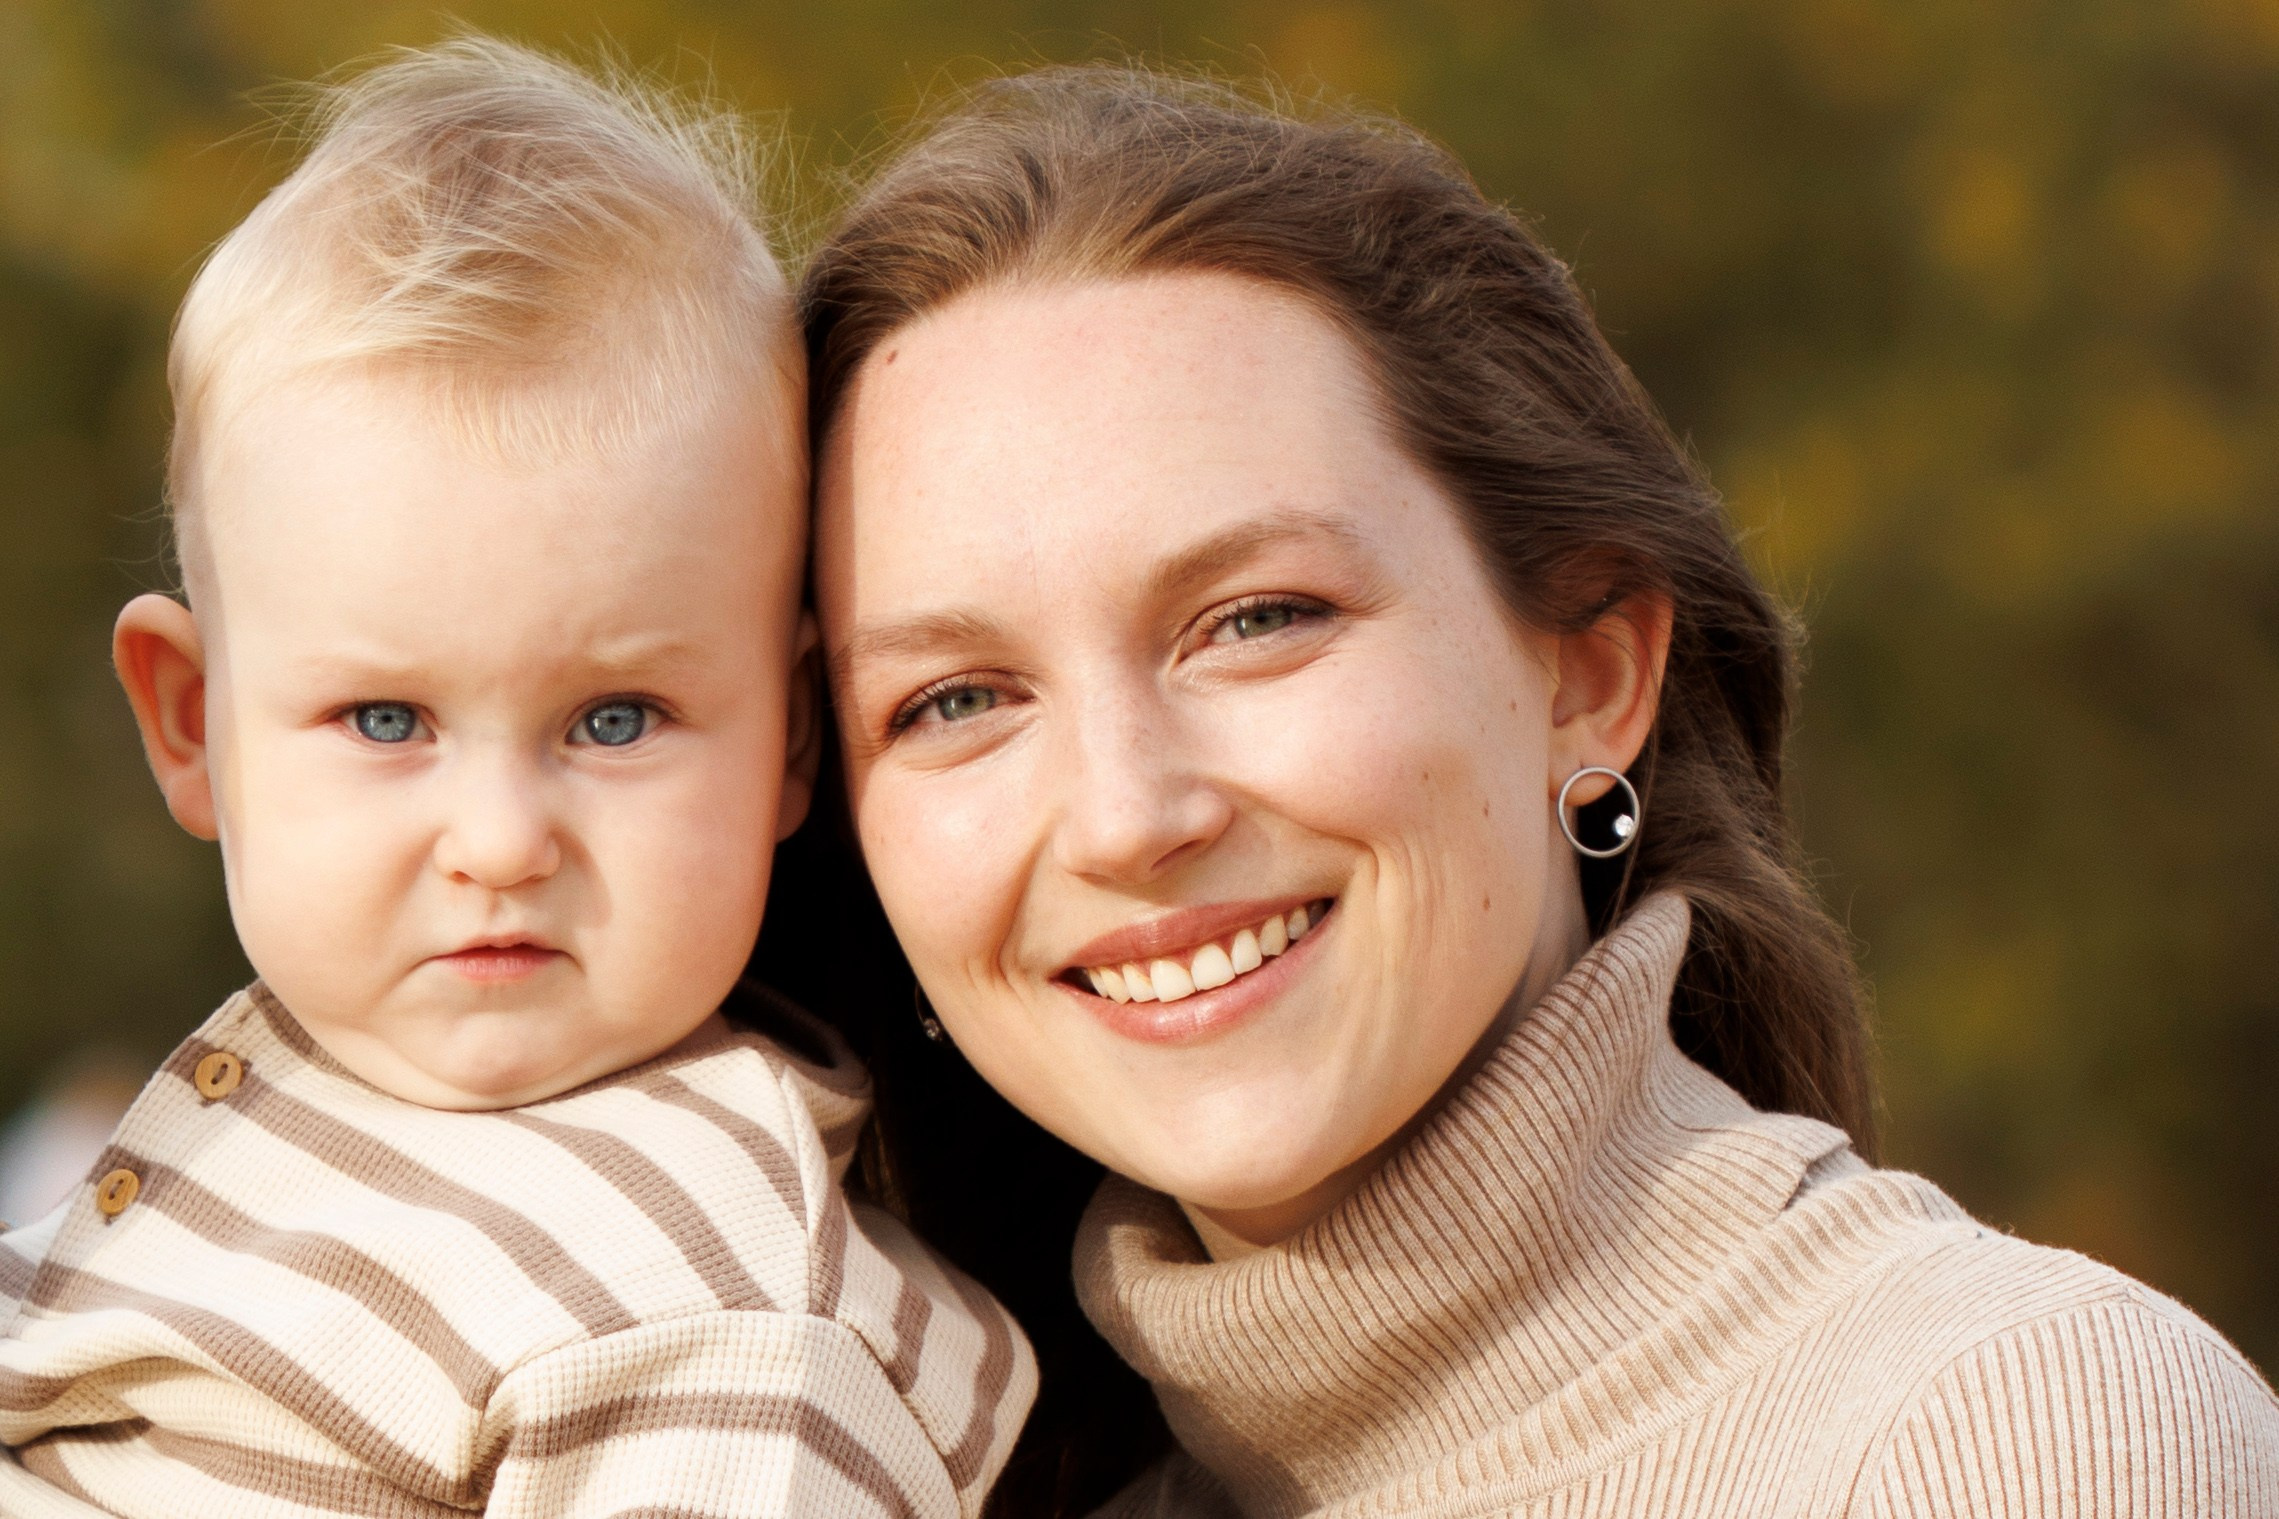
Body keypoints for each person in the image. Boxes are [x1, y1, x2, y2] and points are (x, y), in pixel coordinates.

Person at [800, 66, 2279, 1517]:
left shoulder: (2009, 1432)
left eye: (1258, 619)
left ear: (1591, 676)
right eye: (957, 702)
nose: (1129, 815)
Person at [0, 39, 1032, 1519]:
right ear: (192, 725)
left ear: (793, 735)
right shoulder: (303, 1102)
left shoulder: (721, 1326)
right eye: (383, 721)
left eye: (614, 721)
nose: (498, 842)